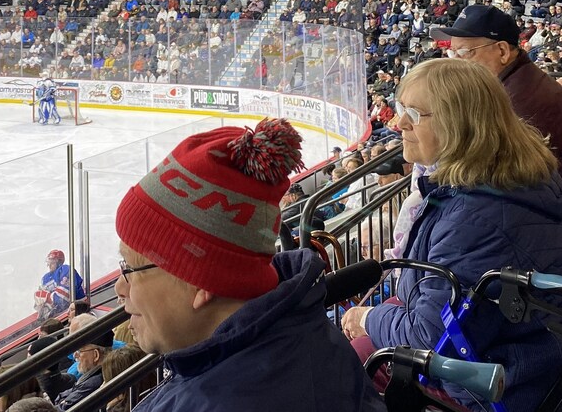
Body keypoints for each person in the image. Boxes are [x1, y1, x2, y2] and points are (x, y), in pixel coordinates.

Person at [341, 60, 562, 411]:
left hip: (518, 386)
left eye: (412, 112)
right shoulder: (511, 173)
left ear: (457, 123)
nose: (398, 123)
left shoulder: (475, 218)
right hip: (545, 358)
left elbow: (429, 339)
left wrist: (366, 318)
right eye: (399, 109)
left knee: (353, 359)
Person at [113, 118, 384, 412]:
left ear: (199, 282)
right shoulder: (299, 334)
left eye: (129, 269)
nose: (119, 288)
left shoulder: (227, 398)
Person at [431, 5, 562, 263]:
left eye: (464, 53)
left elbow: (487, 181)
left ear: (502, 51)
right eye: (452, 52)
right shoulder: (519, 82)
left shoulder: (517, 102)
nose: (455, 63)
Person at [36, 248, 85, 319]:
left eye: (52, 263)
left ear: (59, 262)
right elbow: (40, 300)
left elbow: (63, 300)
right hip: (58, 314)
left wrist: (48, 297)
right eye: (49, 262)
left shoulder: (65, 270)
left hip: (77, 309)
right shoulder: (46, 278)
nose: (49, 265)